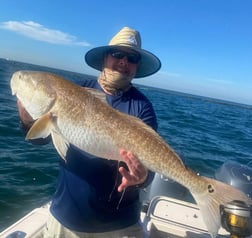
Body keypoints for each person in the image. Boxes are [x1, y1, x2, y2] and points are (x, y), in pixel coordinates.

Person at [17, 26, 161, 238]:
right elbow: (40, 140)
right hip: (67, 219)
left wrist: (141, 179)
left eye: (131, 58)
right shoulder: (74, 91)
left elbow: (151, 166)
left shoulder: (142, 107)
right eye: (118, 54)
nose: (124, 61)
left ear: (137, 66)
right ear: (105, 58)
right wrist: (27, 119)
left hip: (120, 225)